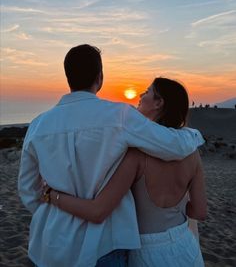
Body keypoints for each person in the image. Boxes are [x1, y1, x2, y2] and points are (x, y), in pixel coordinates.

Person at [18, 45, 204, 267]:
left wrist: (54, 214)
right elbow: (172, 145)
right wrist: (193, 136)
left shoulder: (38, 125)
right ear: (100, 77)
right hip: (104, 244)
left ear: (68, 77)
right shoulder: (120, 117)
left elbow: (28, 189)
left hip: (50, 244)